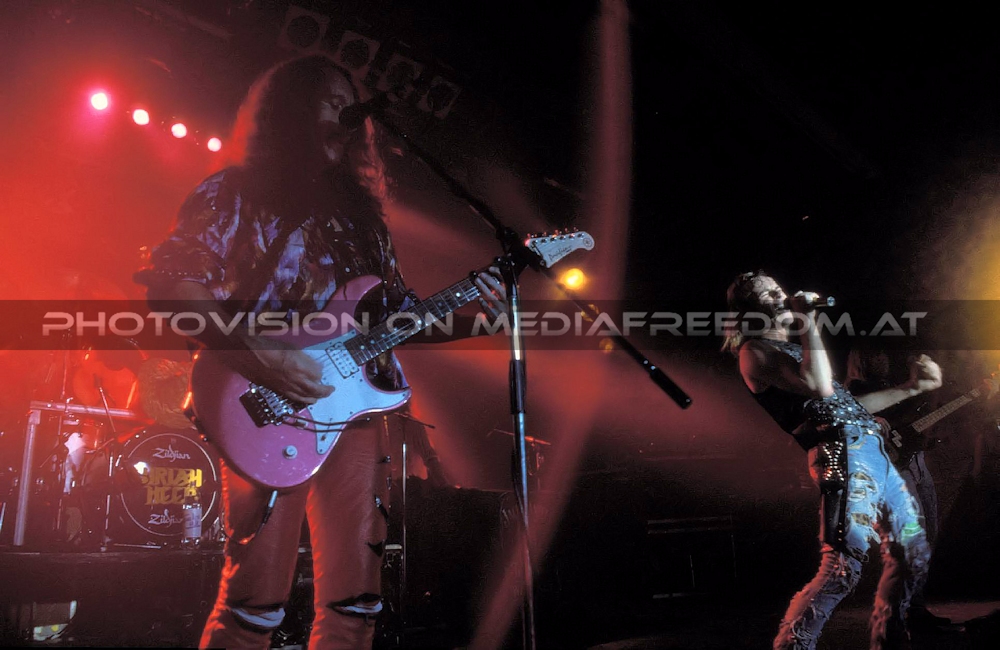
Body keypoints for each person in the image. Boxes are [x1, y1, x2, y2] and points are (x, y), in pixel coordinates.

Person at [135, 53, 508, 649]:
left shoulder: (364, 219)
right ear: (288, 111)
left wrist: (483, 317)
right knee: (254, 604)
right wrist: (265, 355)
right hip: (264, 398)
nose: (345, 110)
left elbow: (399, 319)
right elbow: (172, 286)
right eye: (330, 99)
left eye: (350, 101)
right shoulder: (234, 191)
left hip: (355, 413)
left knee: (356, 605)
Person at [723, 271, 941, 649]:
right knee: (843, 566)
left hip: (871, 451)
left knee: (912, 548)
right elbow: (819, 386)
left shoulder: (794, 350)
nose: (780, 295)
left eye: (778, 288)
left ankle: (890, 637)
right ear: (748, 312)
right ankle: (793, 645)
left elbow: (848, 406)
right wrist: (808, 319)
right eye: (768, 293)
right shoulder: (754, 352)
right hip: (843, 454)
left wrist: (912, 388)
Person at [845, 349, 951, 629]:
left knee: (929, 534)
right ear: (863, 360)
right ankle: (905, 613)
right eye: (876, 355)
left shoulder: (892, 385)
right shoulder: (855, 390)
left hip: (917, 463)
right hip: (895, 469)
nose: (883, 359)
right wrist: (870, 422)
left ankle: (914, 607)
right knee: (912, 539)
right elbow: (844, 420)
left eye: (884, 354)